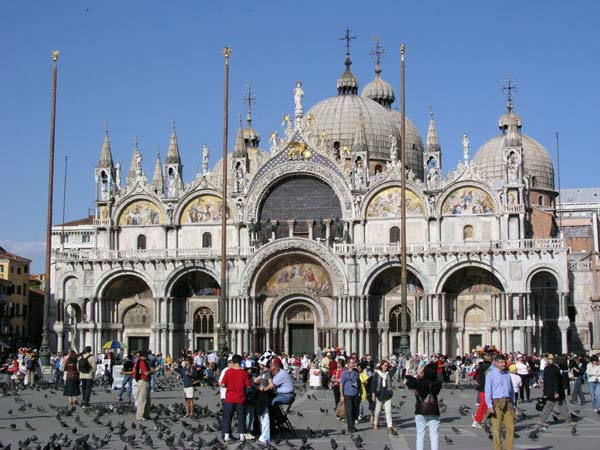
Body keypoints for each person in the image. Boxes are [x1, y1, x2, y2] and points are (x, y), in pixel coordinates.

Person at [405, 363, 442, 450]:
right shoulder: (438, 383)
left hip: (420, 410)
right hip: (434, 410)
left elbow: (408, 383)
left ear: (425, 372)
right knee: (434, 436)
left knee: (420, 435)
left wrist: (418, 374)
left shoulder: (419, 382)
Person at [485, 355, 515, 450]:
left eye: (504, 362)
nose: (504, 364)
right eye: (501, 362)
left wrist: (513, 403)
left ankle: (509, 448)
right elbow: (488, 390)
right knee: (497, 430)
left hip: (507, 402)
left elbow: (512, 390)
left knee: (511, 428)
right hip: (496, 403)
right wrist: (489, 405)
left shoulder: (507, 374)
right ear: (496, 363)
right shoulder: (491, 374)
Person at [220, 354, 253, 442]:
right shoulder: (243, 373)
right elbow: (248, 385)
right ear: (241, 362)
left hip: (229, 399)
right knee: (241, 417)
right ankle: (242, 435)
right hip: (240, 398)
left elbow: (223, 384)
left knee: (228, 417)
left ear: (233, 362)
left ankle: (226, 436)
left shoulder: (228, 372)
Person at [537, 354, 573, 426]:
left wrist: (545, 391)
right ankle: (568, 420)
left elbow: (546, 380)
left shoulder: (546, 368)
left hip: (549, 391)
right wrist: (556, 391)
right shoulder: (556, 369)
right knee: (562, 405)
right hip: (556, 391)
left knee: (548, 406)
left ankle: (541, 420)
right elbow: (556, 381)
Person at [253, 355, 275, 446]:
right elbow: (255, 380)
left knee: (264, 417)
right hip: (260, 396)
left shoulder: (268, 373)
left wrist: (264, 389)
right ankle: (263, 435)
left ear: (263, 364)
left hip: (264, 396)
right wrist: (257, 381)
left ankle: (265, 437)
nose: (258, 365)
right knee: (261, 416)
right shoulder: (263, 372)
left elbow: (271, 385)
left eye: (260, 363)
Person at [371, 360, 397, 435]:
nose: (386, 367)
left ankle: (390, 426)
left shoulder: (389, 374)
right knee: (378, 411)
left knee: (388, 411)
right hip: (379, 394)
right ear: (381, 365)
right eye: (385, 365)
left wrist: (390, 362)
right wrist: (373, 394)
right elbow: (374, 384)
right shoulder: (377, 374)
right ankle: (375, 423)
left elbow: (395, 368)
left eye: (387, 366)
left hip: (387, 394)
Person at [339, 358, 360, 433]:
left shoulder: (356, 372)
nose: (353, 364)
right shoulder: (344, 373)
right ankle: (350, 428)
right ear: (348, 364)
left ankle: (353, 426)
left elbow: (358, 381)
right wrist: (341, 395)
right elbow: (341, 384)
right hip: (347, 394)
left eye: (354, 363)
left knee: (355, 411)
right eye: (352, 363)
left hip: (356, 393)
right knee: (349, 411)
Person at [133, 351, 155, 421]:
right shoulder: (142, 362)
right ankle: (140, 416)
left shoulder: (141, 362)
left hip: (145, 381)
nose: (147, 357)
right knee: (142, 399)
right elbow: (146, 373)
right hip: (143, 381)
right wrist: (154, 371)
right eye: (146, 356)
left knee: (147, 399)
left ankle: (146, 415)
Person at [471, 356, 491, 428]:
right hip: (486, 389)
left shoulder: (481, 367)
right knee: (484, 406)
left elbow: (477, 377)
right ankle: (477, 420)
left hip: (482, 388)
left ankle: (478, 417)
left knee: (484, 405)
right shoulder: (489, 368)